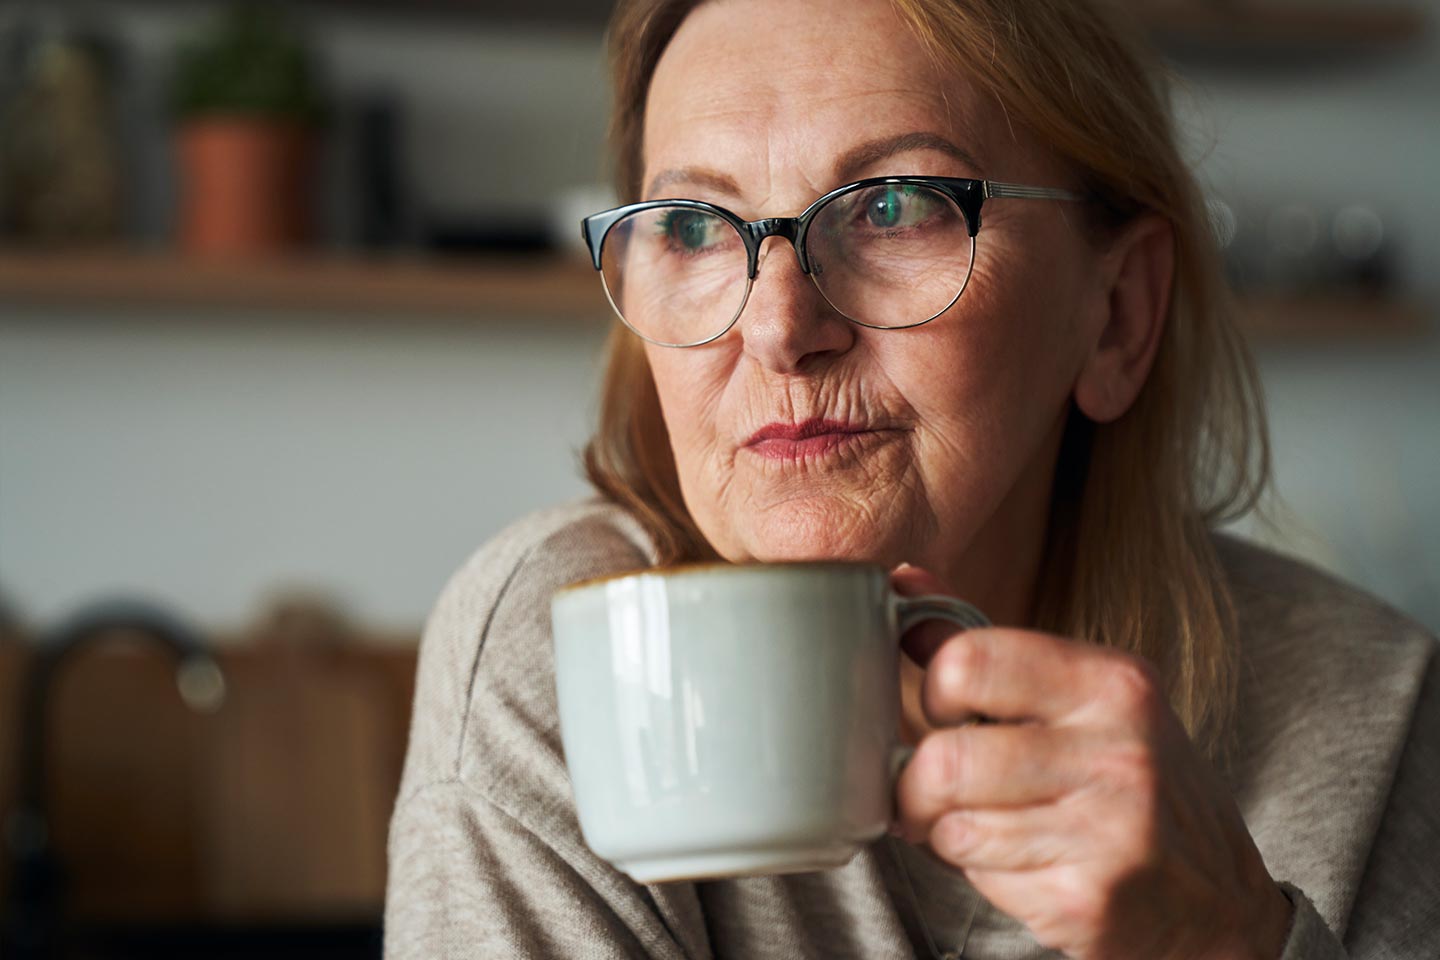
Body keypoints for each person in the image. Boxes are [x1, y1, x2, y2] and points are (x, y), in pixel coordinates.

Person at [383, 0, 1440, 956]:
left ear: (1116, 315)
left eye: (892, 208)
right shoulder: (562, 657)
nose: (780, 328)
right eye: (696, 227)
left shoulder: (1374, 717)